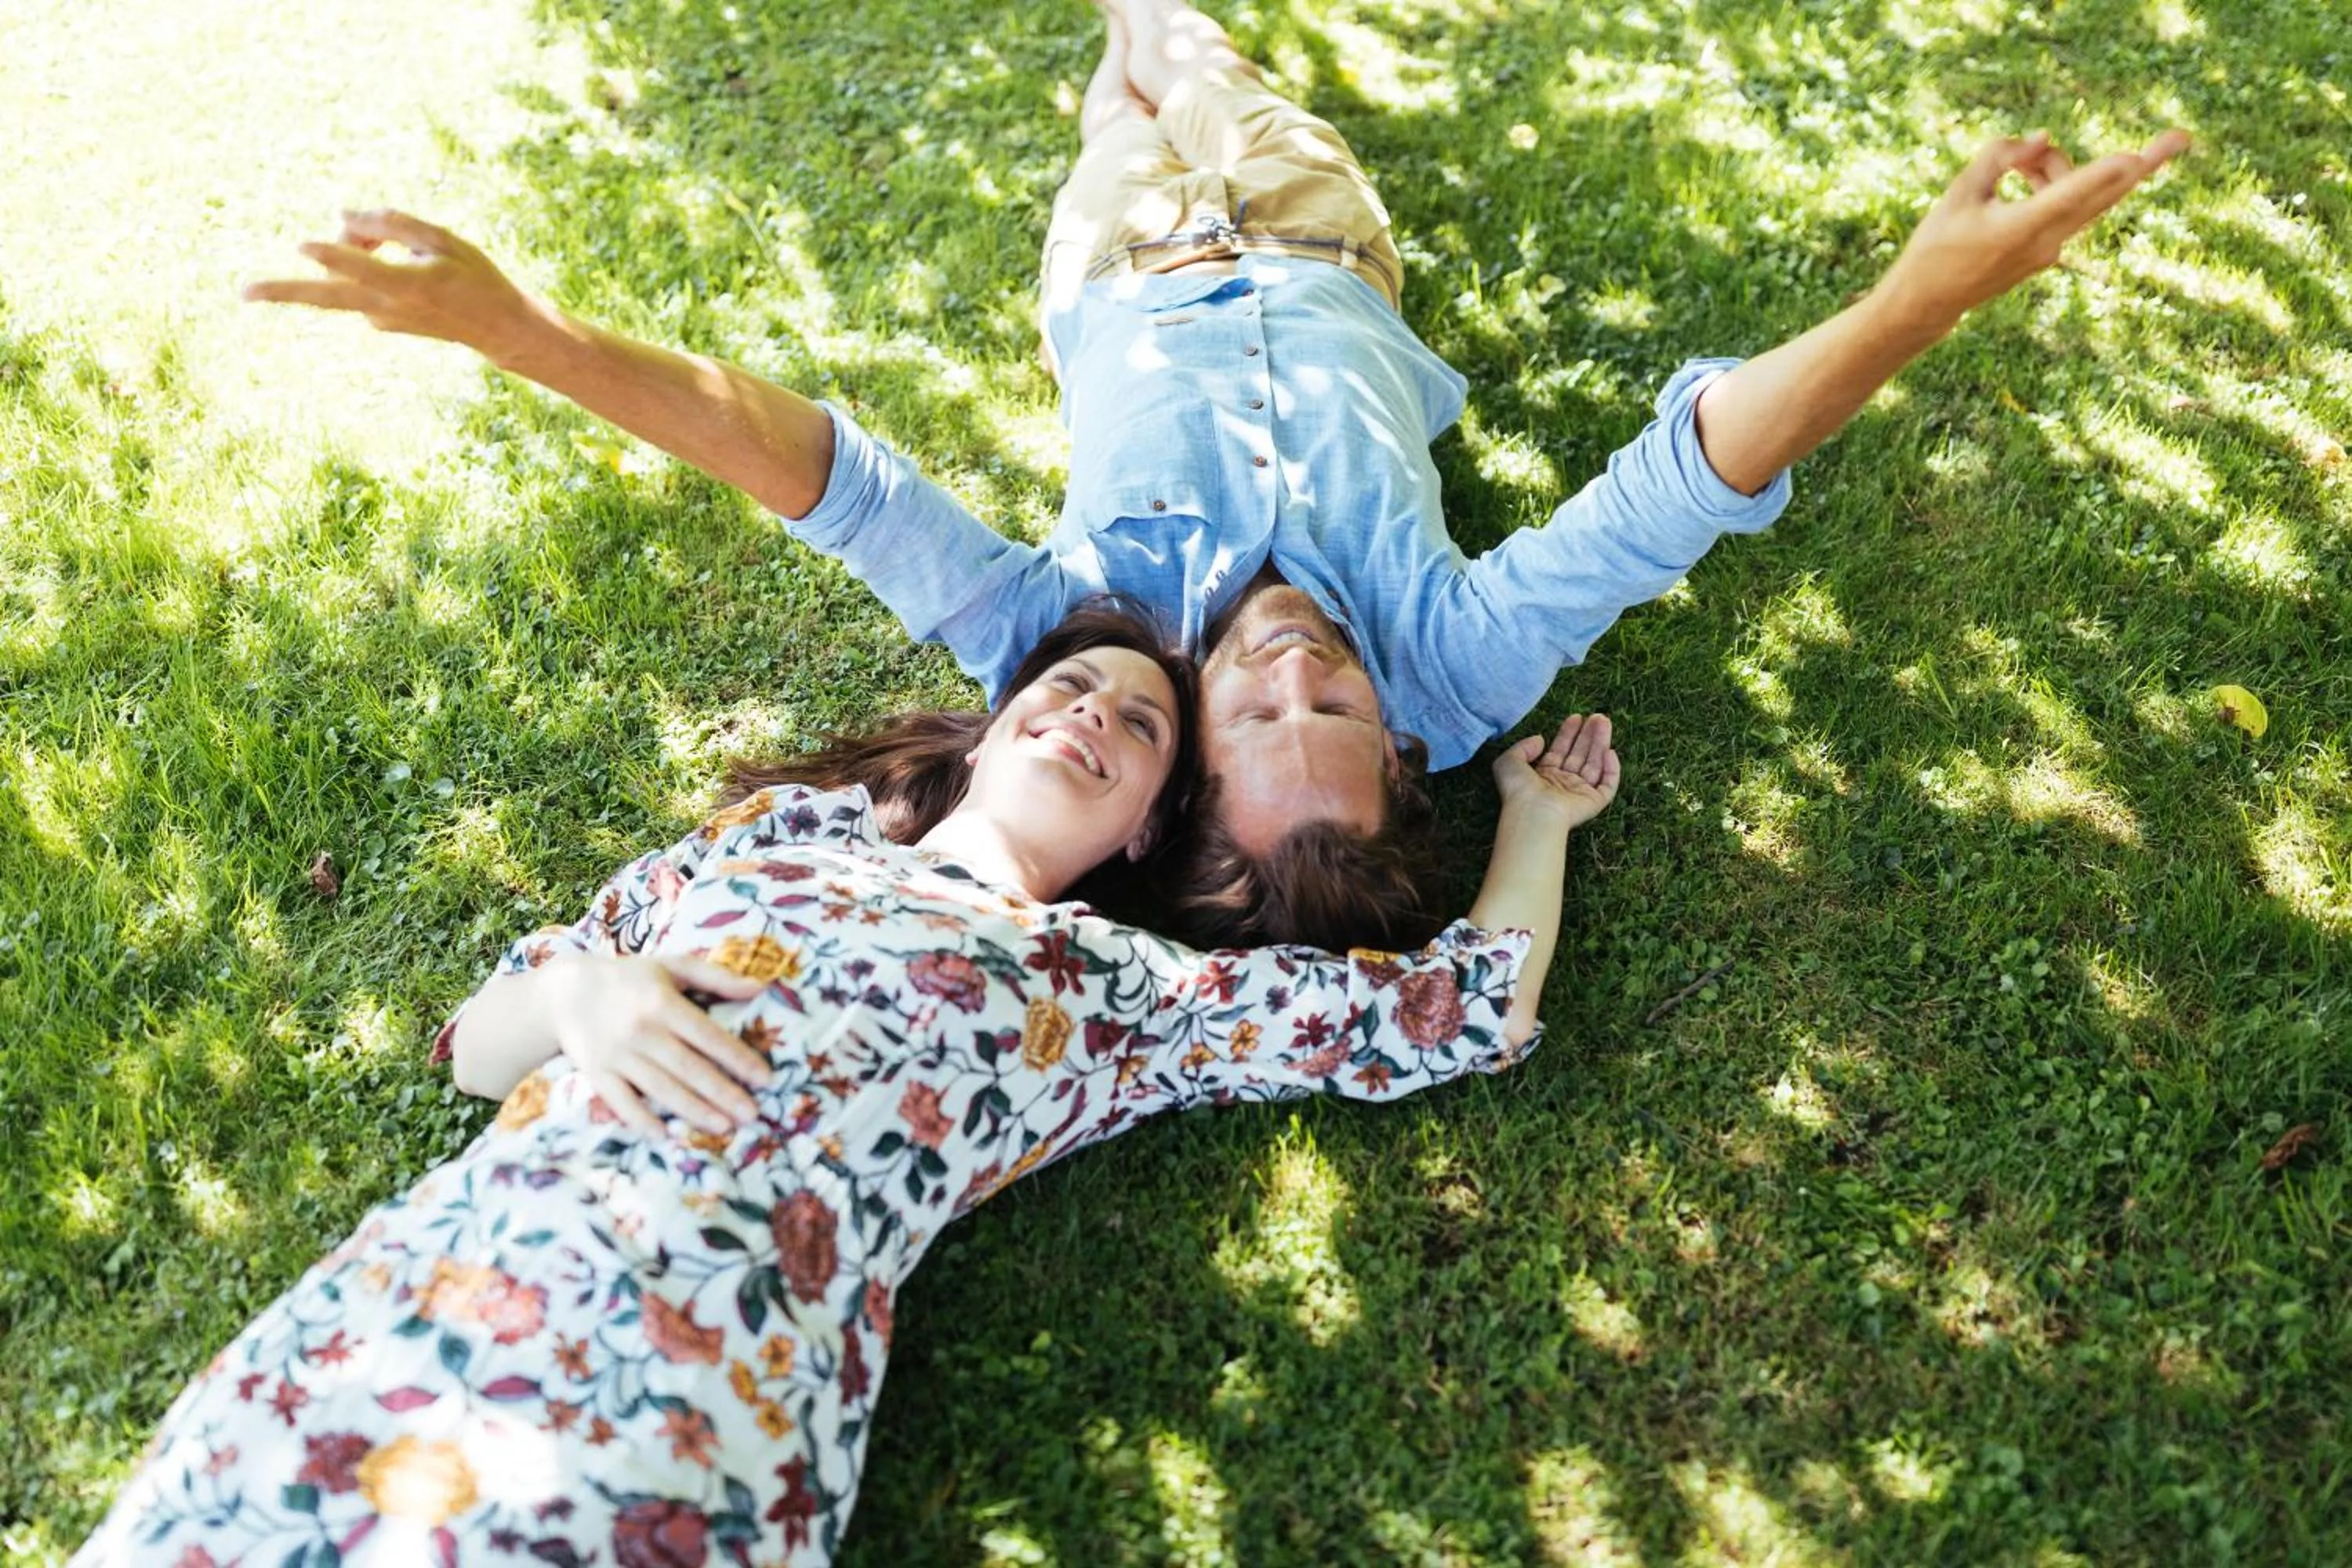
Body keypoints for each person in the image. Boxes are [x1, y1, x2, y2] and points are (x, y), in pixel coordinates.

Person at [243, 3, 2186, 953]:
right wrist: (1910, 305)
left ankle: (1127, 49)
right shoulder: (1447, 665)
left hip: (1120, 272)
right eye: (1330, 697)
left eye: (1261, 709)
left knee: (1125, 87)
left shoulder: (1073, 670)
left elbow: (813, 470)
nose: (1286, 659)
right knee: (1205, 55)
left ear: (1178, 786)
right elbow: (1680, 483)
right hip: (1327, 245)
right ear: (1401, 741)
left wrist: (530, 335)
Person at [71, 604, 1624, 1565]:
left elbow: (1451, 1010)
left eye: (1140, 724)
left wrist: (1536, 822)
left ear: (1154, 821)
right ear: (1002, 721)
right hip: (414, 1306)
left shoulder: (1106, 990)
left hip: (681, 1385)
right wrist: (576, 984)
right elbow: (472, 1047)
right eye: (1071, 686)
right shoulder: (770, 847)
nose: (1090, 712)